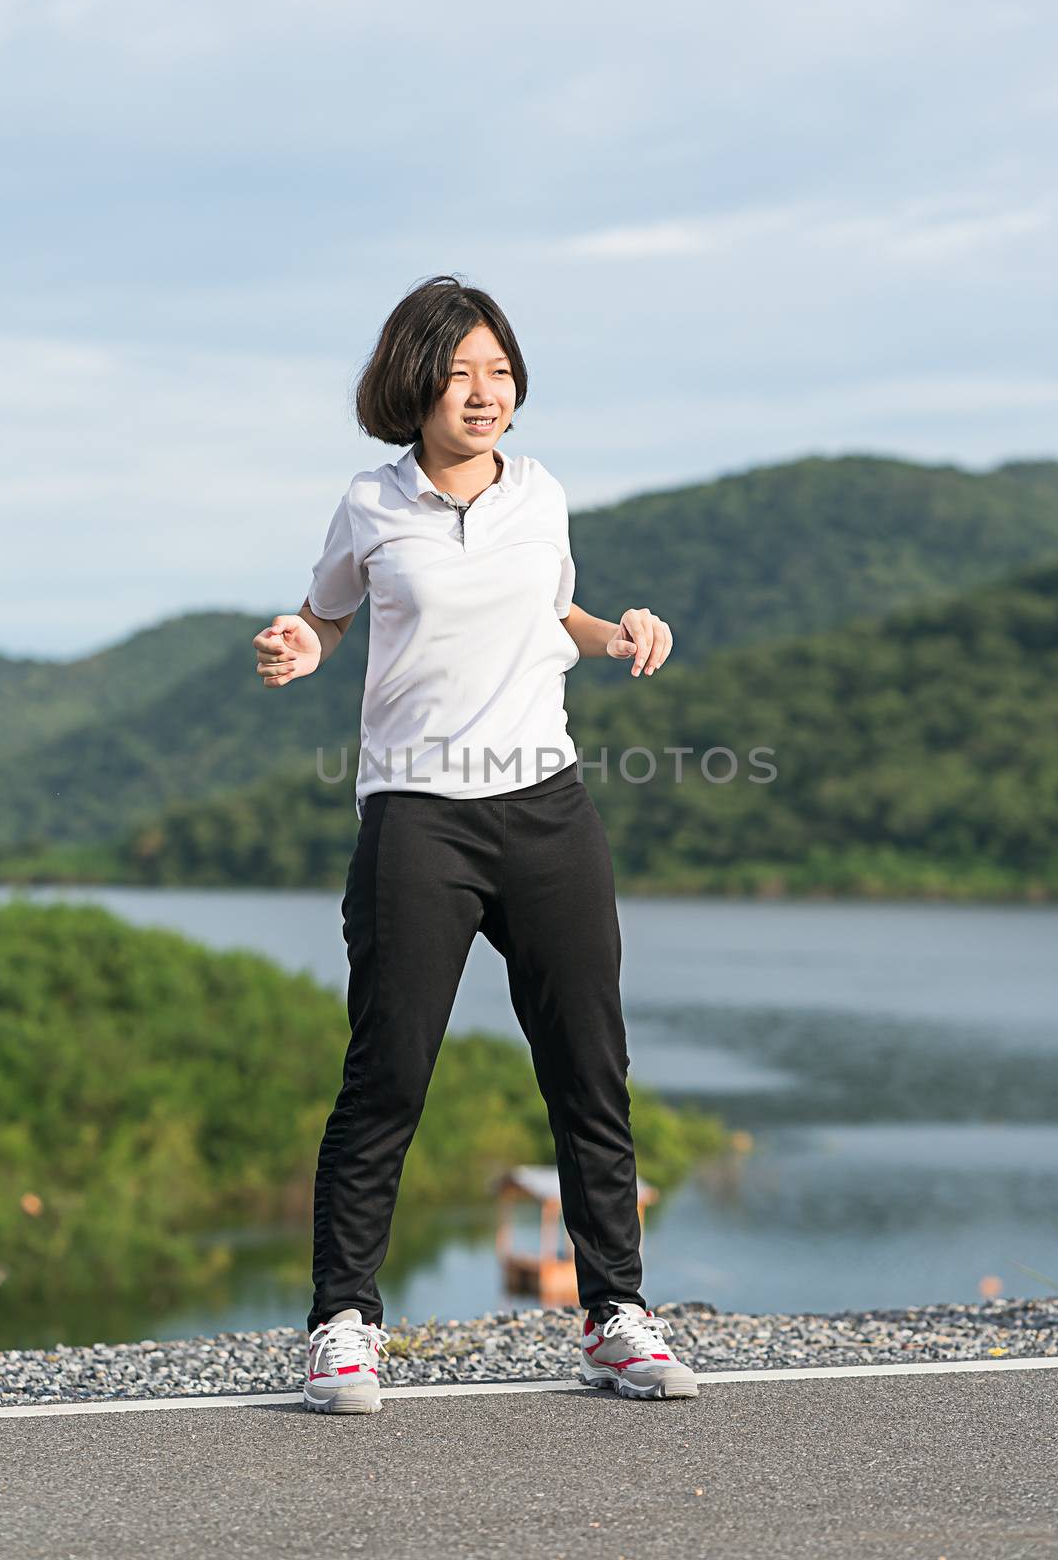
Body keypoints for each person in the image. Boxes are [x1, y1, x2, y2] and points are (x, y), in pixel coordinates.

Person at [253, 273, 699, 1414]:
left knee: (590, 1068)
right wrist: (300, 645)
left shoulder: (539, 493)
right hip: (416, 817)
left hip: (546, 810)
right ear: (414, 381)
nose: (483, 391)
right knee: (388, 1071)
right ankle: (342, 1325)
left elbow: (558, 612)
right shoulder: (370, 502)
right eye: (460, 371)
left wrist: (621, 633)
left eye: (499, 371)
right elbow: (328, 611)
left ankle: (614, 1317)